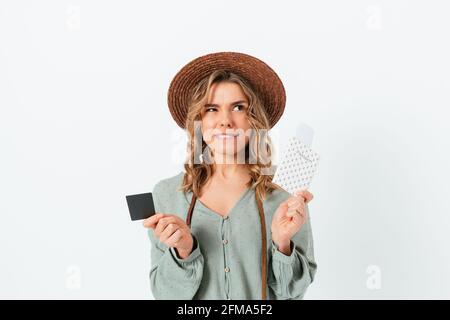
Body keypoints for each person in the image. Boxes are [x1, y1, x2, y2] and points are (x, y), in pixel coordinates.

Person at [143, 52, 317, 300]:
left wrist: (282, 243)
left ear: (253, 119)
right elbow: (165, 295)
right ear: (199, 121)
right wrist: (183, 251)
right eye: (212, 109)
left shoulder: (285, 194)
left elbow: (294, 291)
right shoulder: (167, 195)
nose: (225, 121)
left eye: (238, 107)